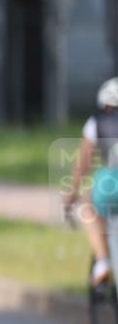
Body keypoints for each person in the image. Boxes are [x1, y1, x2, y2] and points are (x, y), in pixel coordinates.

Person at [66, 77, 118, 285]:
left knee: (88, 206)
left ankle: (103, 261)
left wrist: (71, 195)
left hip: (111, 182)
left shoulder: (96, 122)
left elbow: (83, 164)